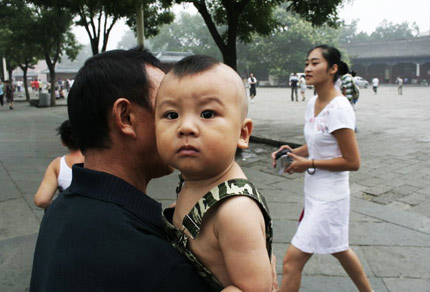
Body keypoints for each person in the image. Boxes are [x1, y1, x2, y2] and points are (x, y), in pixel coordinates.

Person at [30, 47, 211, 291]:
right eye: (170, 112)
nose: (185, 126)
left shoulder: (60, 211)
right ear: (126, 118)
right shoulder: (153, 261)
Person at [155, 55, 274, 291]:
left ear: (243, 133)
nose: (185, 127)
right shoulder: (194, 181)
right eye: (171, 115)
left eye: (207, 114)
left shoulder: (234, 211)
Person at [272, 45, 373, 292]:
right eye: (307, 63)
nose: (308, 68)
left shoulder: (339, 109)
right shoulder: (314, 101)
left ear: (333, 69)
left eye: (315, 63)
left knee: (292, 261)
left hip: (330, 197)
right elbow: (316, 142)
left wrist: (309, 164)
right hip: (314, 192)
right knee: (339, 248)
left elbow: (352, 161)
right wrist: (293, 152)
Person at [34, 120, 84, 209]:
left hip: (68, 217)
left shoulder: (58, 164)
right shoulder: (98, 162)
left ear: (63, 142)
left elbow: (41, 200)